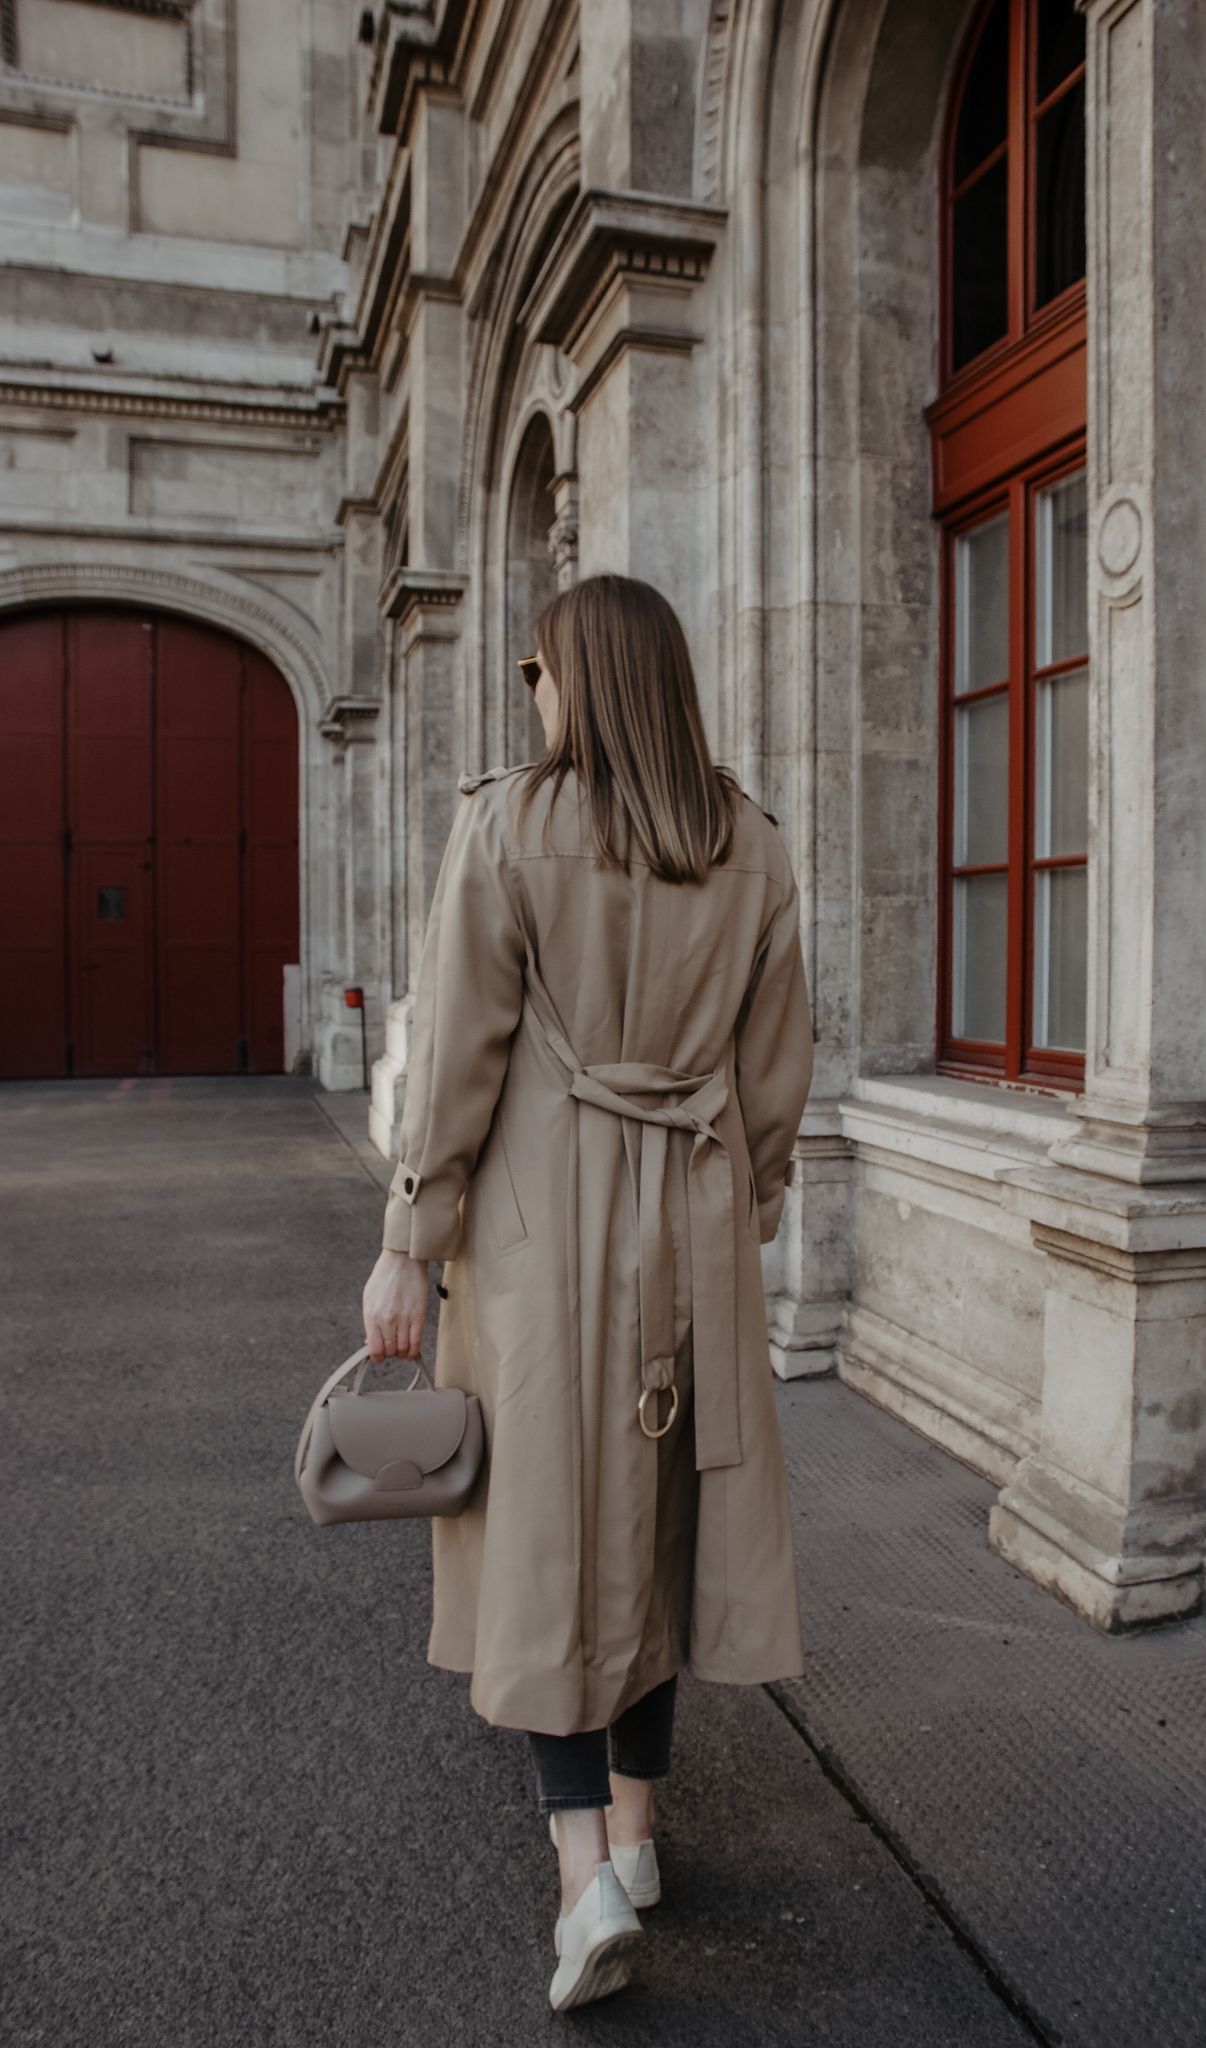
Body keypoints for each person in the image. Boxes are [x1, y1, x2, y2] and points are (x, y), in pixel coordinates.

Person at [360, 573, 814, 2010]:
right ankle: (641, 1830)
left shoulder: (508, 826)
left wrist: (408, 1236)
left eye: (535, 672)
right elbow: (776, 1075)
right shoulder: (750, 844)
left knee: (549, 1537)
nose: (529, 696)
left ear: (576, 678)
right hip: (691, 1220)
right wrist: (746, 1211)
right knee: (662, 1518)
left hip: (544, 1232)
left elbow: (458, 1063)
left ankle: (583, 1884)